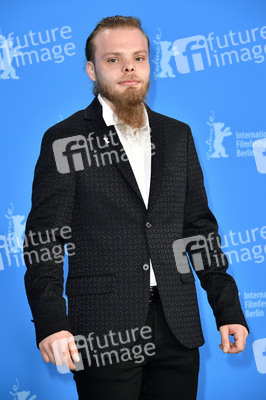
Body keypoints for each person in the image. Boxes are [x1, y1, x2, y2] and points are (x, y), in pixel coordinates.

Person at [24, 15, 249, 400]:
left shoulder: (177, 135)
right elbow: (44, 240)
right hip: (103, 330)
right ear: (91, 70)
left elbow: (198, 228)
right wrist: (51, 323)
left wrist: (228, 309)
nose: (129, 67)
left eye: (139, 57)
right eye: (113, 59)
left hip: (177, 323)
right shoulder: (65, 139)